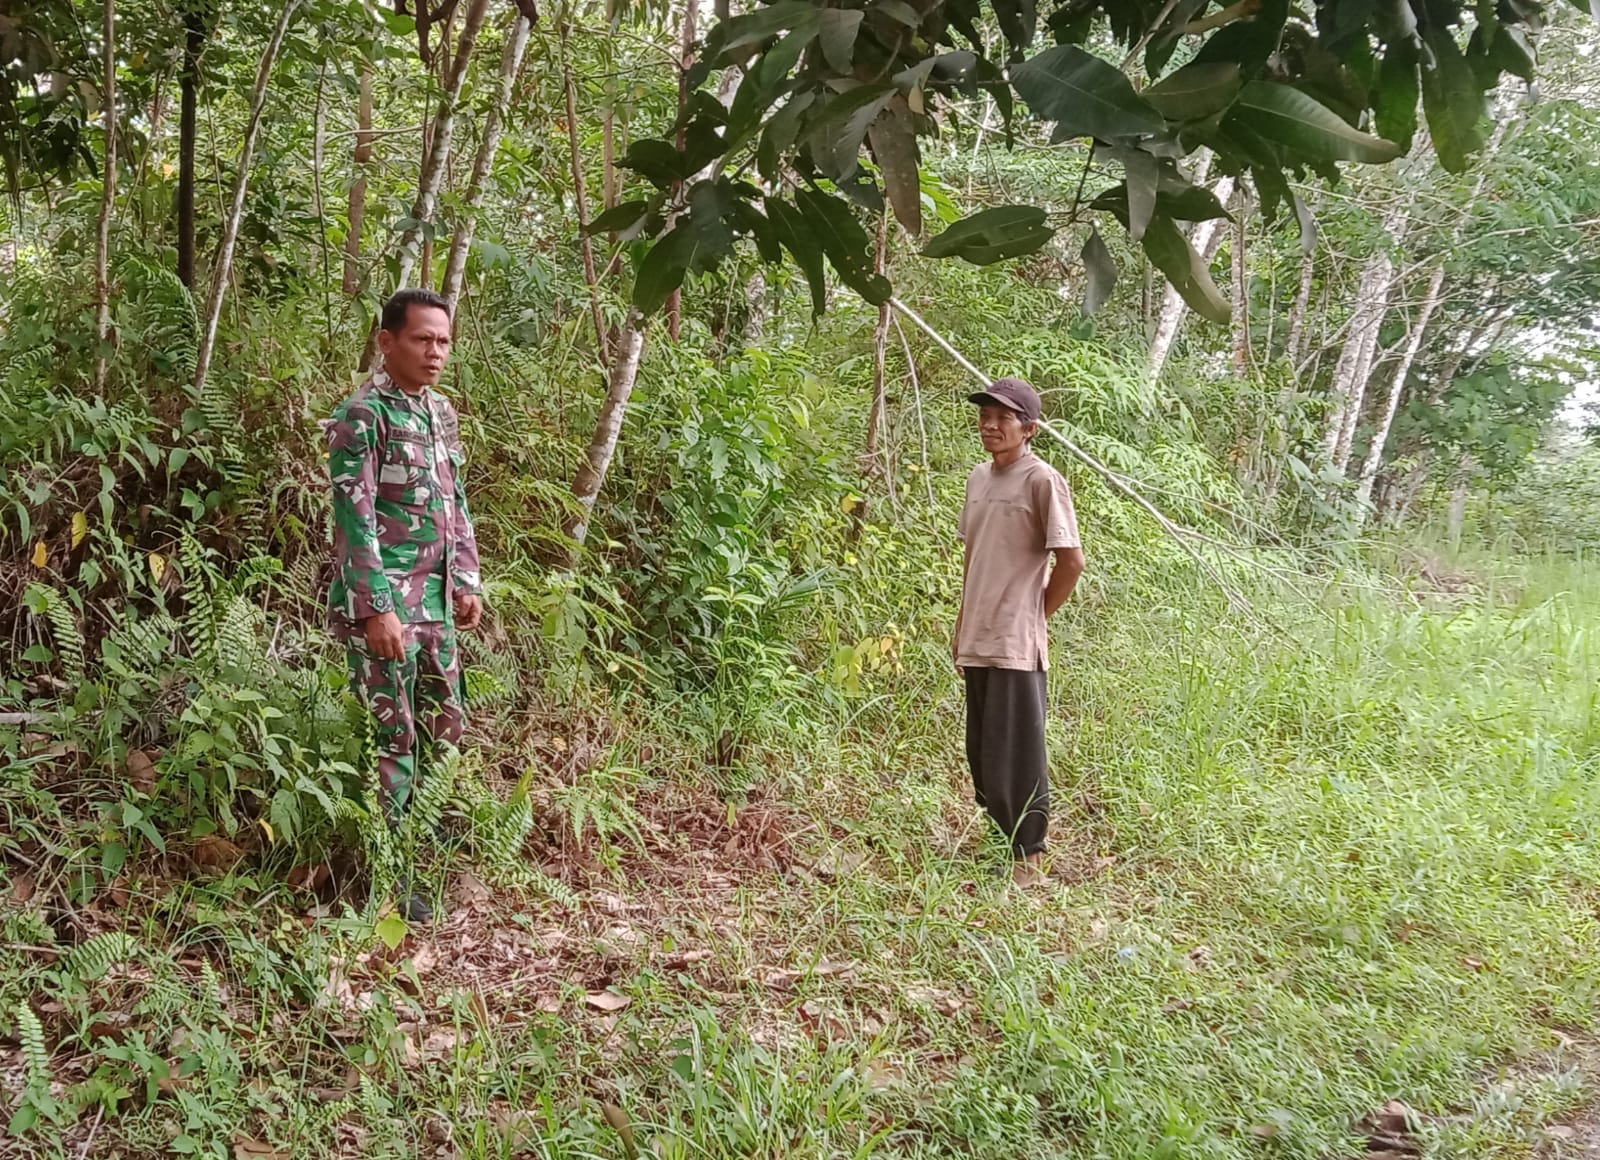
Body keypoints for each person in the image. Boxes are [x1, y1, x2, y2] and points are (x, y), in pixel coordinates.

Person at [325, 288, 485, 922]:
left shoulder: (439, 412)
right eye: (422, 340)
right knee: (394, 736)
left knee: (447, 727)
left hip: (438, 603)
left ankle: (430, 843)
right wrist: (374, 608)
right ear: (387, 342)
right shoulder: (363, 416)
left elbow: (455, 501)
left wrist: (467, 579)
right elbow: (353, 516)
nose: (435, 352)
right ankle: (390, 873)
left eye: (443, 341)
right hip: (389, 608)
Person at [952, 377, 1084, 888]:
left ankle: (1030, 859)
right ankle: (1003, 842)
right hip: (978, 633)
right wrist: (962, 622)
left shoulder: (1042, 480)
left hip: (1016, 640)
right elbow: (973, 556)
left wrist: (1035, 616)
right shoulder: (978, 479)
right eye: (986, 414)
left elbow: (1071, 561)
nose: (990, 424)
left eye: (1004, 417)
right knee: (983, 749)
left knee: (1018, 750)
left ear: (1029, 429)